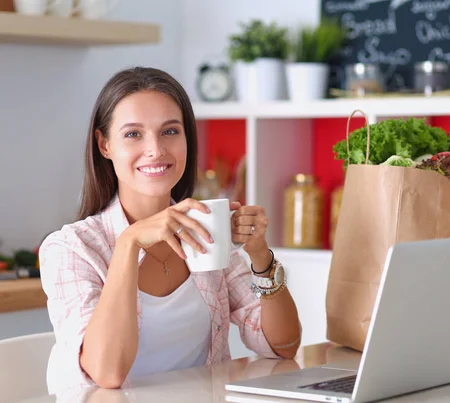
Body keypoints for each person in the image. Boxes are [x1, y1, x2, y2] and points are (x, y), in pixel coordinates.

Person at [39, 66, 302, 395]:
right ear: (104, 144)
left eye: (170, 131)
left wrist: (260, 256)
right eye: (133, 134)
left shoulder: (206, 228)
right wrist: (130, 242)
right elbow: (107, 373)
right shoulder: (71, 249)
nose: (156, 149)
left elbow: (282, 346)